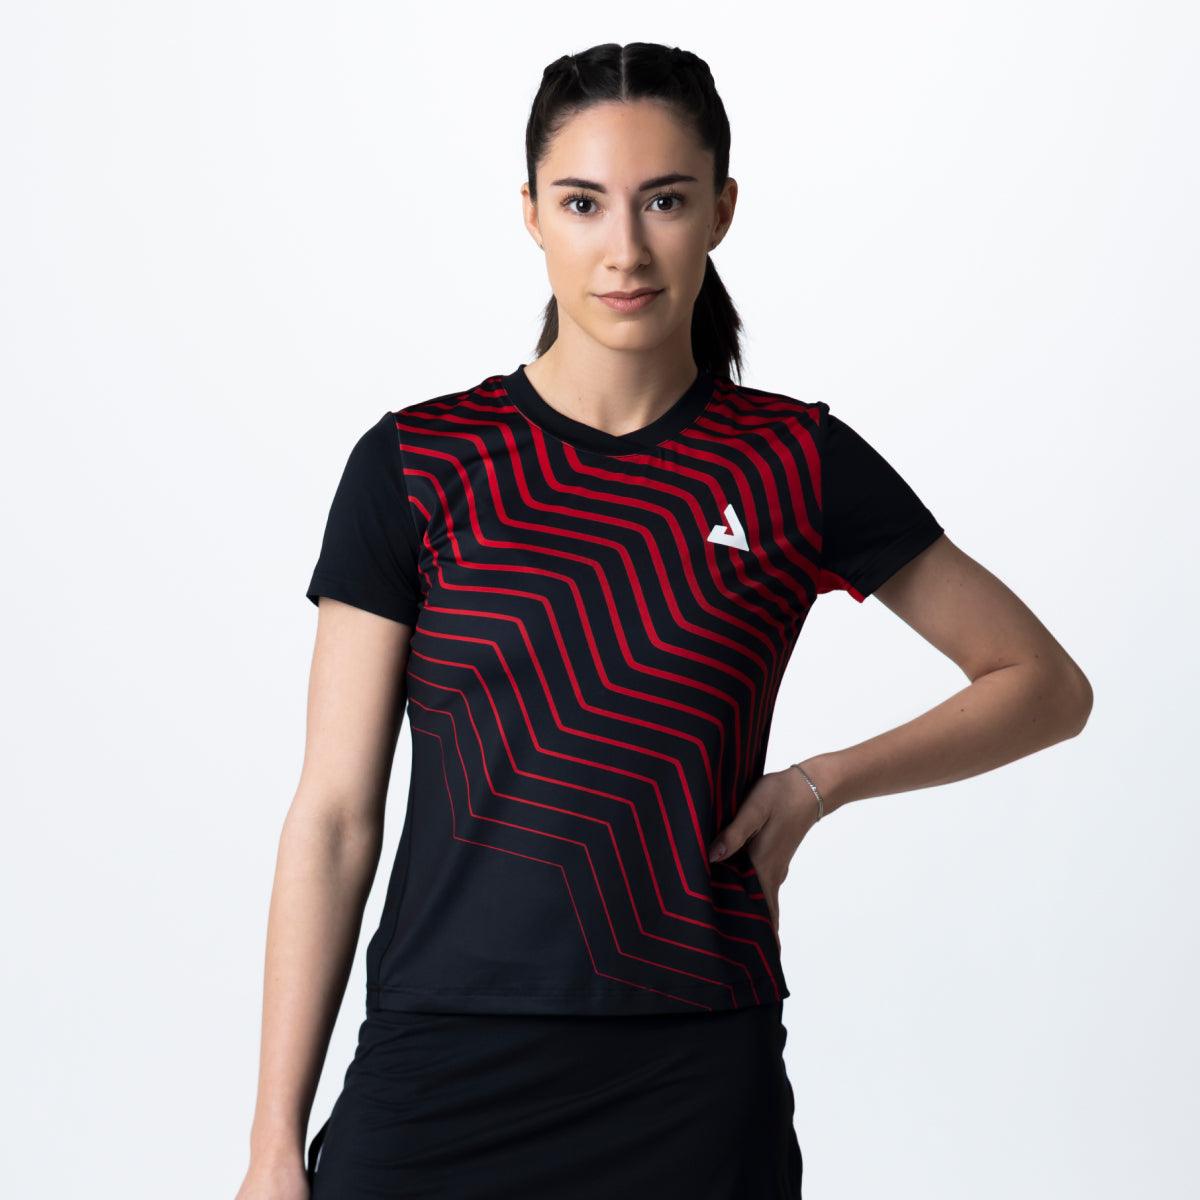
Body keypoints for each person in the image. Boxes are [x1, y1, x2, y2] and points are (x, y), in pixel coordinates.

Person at [235, 41, 1093, 1200]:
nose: (625, 249)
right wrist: (273, 1147)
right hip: (438, 1064)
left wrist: (818, 786)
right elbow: (336, 819)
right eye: (583, 203)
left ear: (722, 211)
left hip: (692, 1075)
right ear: (531, 214)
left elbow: (1042, 683)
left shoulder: (792, 460)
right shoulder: (417, 465)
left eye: (665, 201)